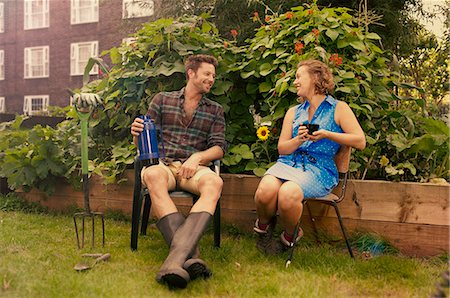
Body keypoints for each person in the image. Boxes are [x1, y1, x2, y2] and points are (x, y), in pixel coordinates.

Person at [130, 54, 226, 288]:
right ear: (191, 73)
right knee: (152, 174)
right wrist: (136, 134)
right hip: (163, 165)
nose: (211, 79)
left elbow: (219, 147)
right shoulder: (162, 100)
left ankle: (174, 261)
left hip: (195, 168)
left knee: (215, 183)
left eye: (213, 75)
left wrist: (197, 157)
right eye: (206, 74)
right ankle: (190, 256)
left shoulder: (214, 109)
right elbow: (145, 141)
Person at [253, 59, 366, 254]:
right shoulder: (293, 112)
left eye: (298, 77)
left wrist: (327, 134)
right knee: (265, 190)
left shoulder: (338, 108)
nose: (295, 82)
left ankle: (290, 236)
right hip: (289, 163)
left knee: (288, 194)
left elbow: (360, 141)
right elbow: (282, 149)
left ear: (315, 78)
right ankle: (264, 230)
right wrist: (298, 139)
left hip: (318, 169)